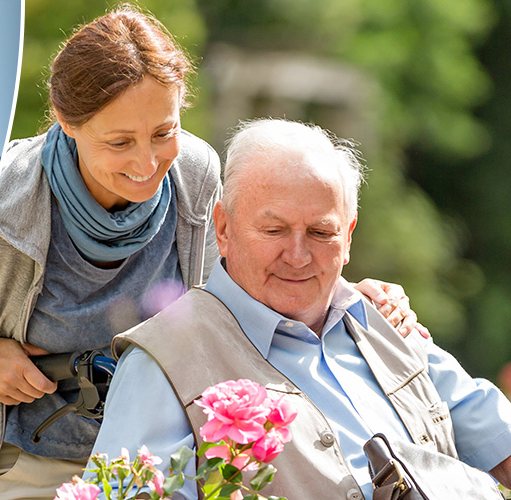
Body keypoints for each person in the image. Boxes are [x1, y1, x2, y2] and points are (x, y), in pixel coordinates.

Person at [0, 6, 426, 500]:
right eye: (119, 142)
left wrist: (347, 295)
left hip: (159, 452)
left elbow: (241, 280)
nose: (147, 161)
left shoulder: (196, 172)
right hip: (15, 454)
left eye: (163, 132)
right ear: (67, 121)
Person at [90, 118, 511, 499]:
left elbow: (500, 443)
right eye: (273, 230)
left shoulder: (385, 321)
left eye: (320, 232)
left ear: (348, 237)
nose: (297, 255)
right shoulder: (163, 361)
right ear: (223, 228)